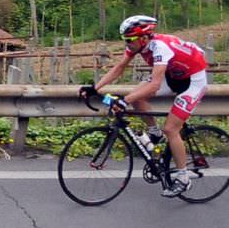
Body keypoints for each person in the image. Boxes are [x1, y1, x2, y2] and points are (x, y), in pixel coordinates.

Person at [87, 14, 210, 196]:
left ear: (144, 38)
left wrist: (124, 101)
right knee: (136, 96)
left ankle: (183, 178)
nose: (127, 44)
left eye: (130, 40)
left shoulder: (160, 47)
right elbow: (120, 67)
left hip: (193, 81)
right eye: (125, 40)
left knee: (171, 129)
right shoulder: (139, 45)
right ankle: (154, 133)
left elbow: (154, 85)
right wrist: (94, 88)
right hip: (174, 76)